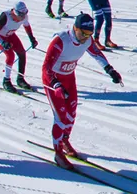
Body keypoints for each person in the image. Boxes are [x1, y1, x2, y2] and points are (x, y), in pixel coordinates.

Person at [41, 12, 121, 169]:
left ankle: (64, 140)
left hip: (69, 79)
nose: (85, 38)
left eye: (89, 34)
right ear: (75, 28)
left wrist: (110, 69)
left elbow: (96, 53)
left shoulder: (87, 39)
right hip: (53, 80)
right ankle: (58, 153)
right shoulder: (61, 40)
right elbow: (46, 67)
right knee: (60, 117)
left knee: (71, 114)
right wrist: (55, 84)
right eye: (83, 33)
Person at [0, 1, 39, 92]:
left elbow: (27, 26)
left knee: (22, 53)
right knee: (10, 55)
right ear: (14, 12)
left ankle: (20, 79)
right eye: (20, 15)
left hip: (10, 34)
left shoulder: (24, 16)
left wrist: (32, 38)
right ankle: (6, 81)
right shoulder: (5, 16)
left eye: (25, 14)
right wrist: (3, 43)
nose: (22, 17)